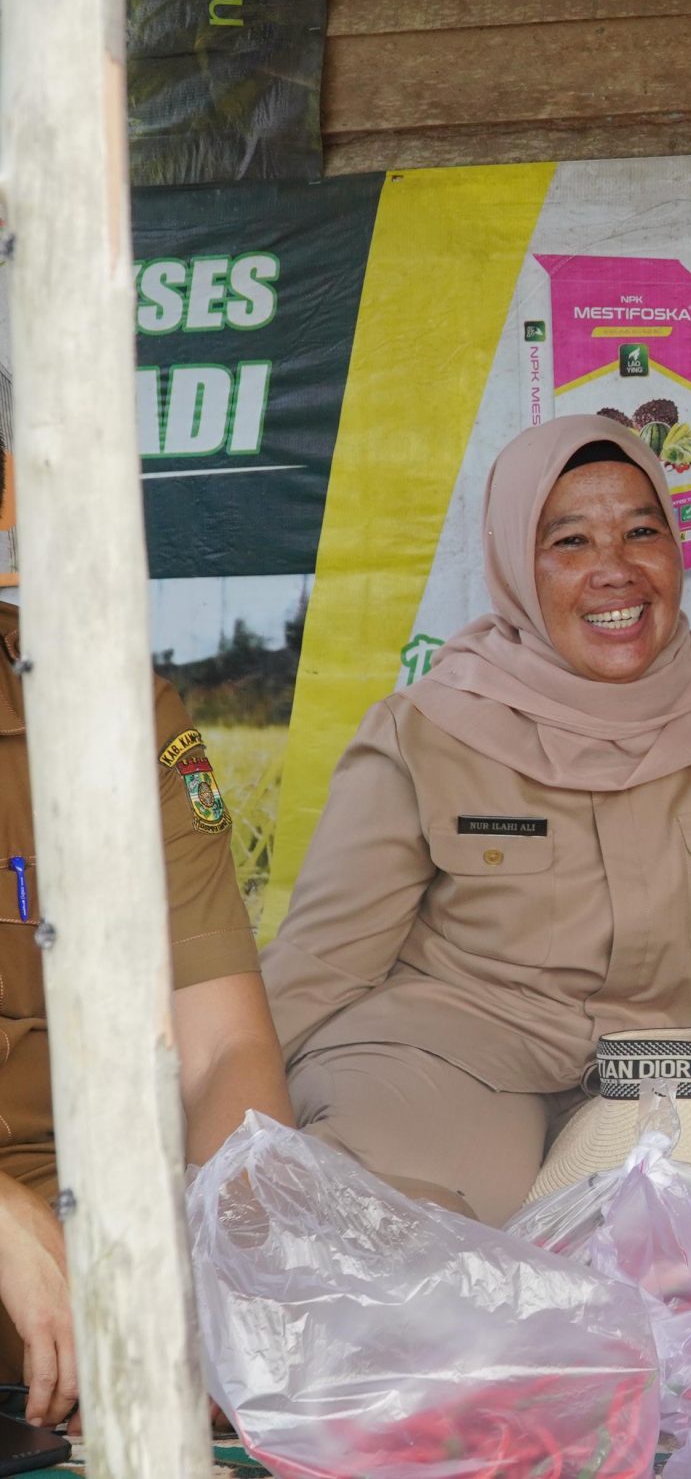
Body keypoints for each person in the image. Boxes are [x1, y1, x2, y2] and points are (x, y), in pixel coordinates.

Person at [262, 418, 691, 1224]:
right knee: (415, 1232)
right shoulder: (427, 727)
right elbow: (325, 958)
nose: (614, 572)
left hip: (661, 1068)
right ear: (517, 564)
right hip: (448, 1052)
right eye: (571, 542)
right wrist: (181, 1131)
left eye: (640, 532)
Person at [0, 604, 290, 1428]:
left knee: (394, 1295)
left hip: (91, 1199)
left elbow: (221, 1047)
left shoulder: (104, 706)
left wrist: (223, 1270)